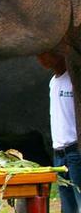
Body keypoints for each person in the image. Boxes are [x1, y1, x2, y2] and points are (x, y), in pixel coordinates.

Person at [37, 51, 81, 213]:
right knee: (67, 203)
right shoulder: (53, 82)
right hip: (59, 153)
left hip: (75, 150)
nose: (41, 60)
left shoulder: (74, 80)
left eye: (45, 54)